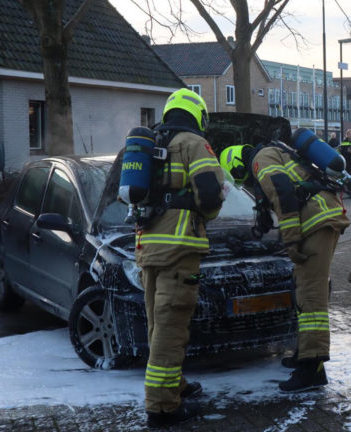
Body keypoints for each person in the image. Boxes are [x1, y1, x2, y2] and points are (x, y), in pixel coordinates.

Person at [221, 135, 350, 393]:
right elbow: (278, 193)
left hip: (316, 221)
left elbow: (282, 190)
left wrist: (290, 240)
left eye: (240, 176)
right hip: (321, 216)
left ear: (237, 164)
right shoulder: (272, 152)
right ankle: (304, 354)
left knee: (310, 294)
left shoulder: (260, 159)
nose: (244, 180)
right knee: (303, 288)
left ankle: (312, 369)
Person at [137, 88, 225, 428]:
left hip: (147, 248)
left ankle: (173, 385)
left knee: (158, 326)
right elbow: (210, 195)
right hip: (179, 248)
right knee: (172, 329)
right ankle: (162, 408)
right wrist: (208, 211)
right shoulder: (193, 143)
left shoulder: (152, 142)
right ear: (197, 114)